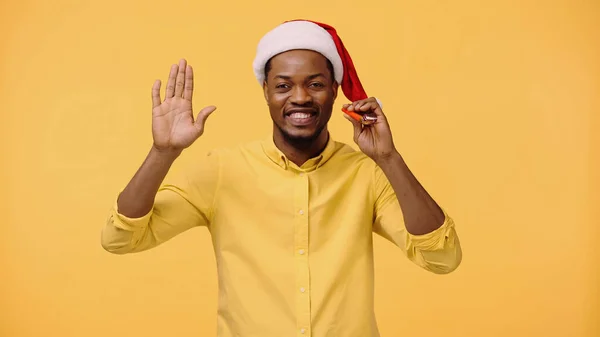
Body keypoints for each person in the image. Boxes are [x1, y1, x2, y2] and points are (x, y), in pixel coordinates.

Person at [101, 19, 462, 337]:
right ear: (266, 92)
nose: (300, 98)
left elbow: (441, 257)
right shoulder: (221, 171)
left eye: (315, 84)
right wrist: (163, 153)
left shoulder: (367, 173)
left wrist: (389, 158)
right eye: (284, 86)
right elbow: (121, 238)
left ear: (335, 90)